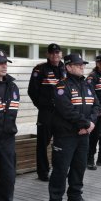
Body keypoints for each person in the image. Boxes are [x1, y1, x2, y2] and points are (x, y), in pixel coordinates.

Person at [49, 54, 101, 201]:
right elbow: (66, 110)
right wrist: (85, 124)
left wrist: (90, 124)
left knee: (79, 167)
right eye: (78, 65)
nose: (81, 67)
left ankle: (74, 196)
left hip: (83, 135)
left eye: (83, 65)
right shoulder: (61, 86)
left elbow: (97, 106)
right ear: (69, 67)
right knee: (61, 169)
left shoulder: (87, 84)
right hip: (66, 135)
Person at [0, 49, 27, 201]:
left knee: (8, 179)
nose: (4, 65)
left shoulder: (12, 86)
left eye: (5, 62)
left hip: (7, 141)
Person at [28, 43, 66, 181]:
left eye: (57, 53)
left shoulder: (65, 68)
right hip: (46, 113)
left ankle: (59, 169)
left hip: (62, 113)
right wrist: (43, 107)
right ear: (48, 55)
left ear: (61, 54)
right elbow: (32, 91)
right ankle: (43, 172)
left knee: (61, 142)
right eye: (52, 53)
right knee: (43, 143)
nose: (55, 55)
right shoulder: (40, 69)